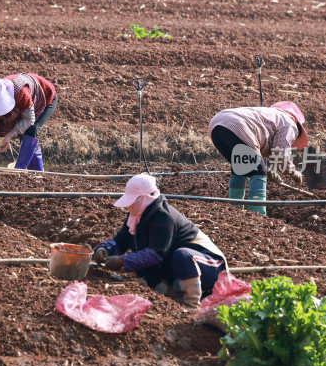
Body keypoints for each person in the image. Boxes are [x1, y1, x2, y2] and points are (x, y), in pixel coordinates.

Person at [92, 173, 227, 311]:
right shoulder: (136, 216)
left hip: (209, 266)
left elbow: (155, 254)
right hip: (179, 268)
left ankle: (192, 305)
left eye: (131, 201)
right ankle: (175, 297)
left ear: (143, 199)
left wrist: (121, 261)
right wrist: (105, 248)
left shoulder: (162, 216)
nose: (128, 206)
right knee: (143, 264)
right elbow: (121, 240)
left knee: (182, 256)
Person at [209, 101, 307, 216]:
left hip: (216, 125)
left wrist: (270, 170)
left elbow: (264, 150)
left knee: (241, 167)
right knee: (259, 171)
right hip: (237, 126)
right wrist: (292, 172)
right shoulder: (289, 124)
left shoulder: (272, 117)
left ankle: (233, 209)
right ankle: (257, 214)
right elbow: (280, 153)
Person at [0, 73, 57, 171]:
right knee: (24, 131)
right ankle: (29, 169)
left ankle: (26, 170)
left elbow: (28, 119)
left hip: (45, 96)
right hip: (25, 104)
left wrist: (11, 134)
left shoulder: (21, 93)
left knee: (31, 130)